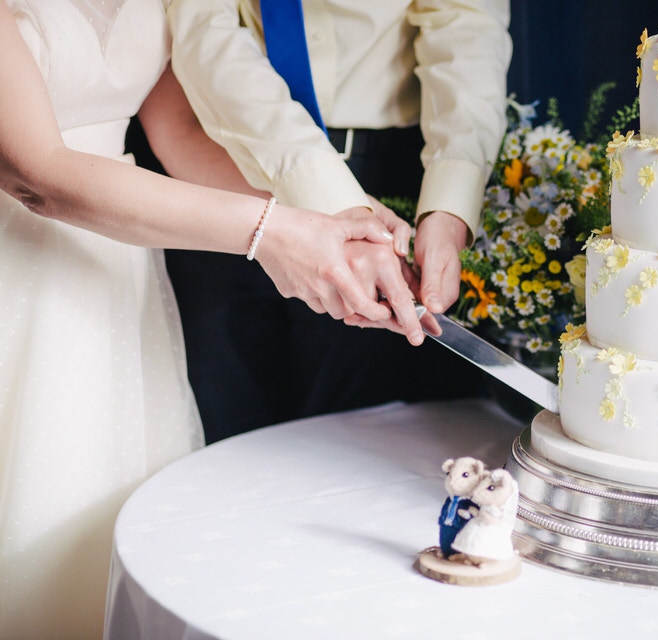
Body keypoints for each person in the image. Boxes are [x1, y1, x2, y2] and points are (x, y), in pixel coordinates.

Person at [0, 1, 430, 637]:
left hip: (117, 277)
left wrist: (333, 225)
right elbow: (38, 174)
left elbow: (180, 137)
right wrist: (271, 235)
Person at [164, 1, 513, 443]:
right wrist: (330, 200)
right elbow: (205, 32)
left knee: (358, 447)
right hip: (220, 167)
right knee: (224, 421)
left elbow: (464, 20)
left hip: (391, 175)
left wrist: (449, 206)